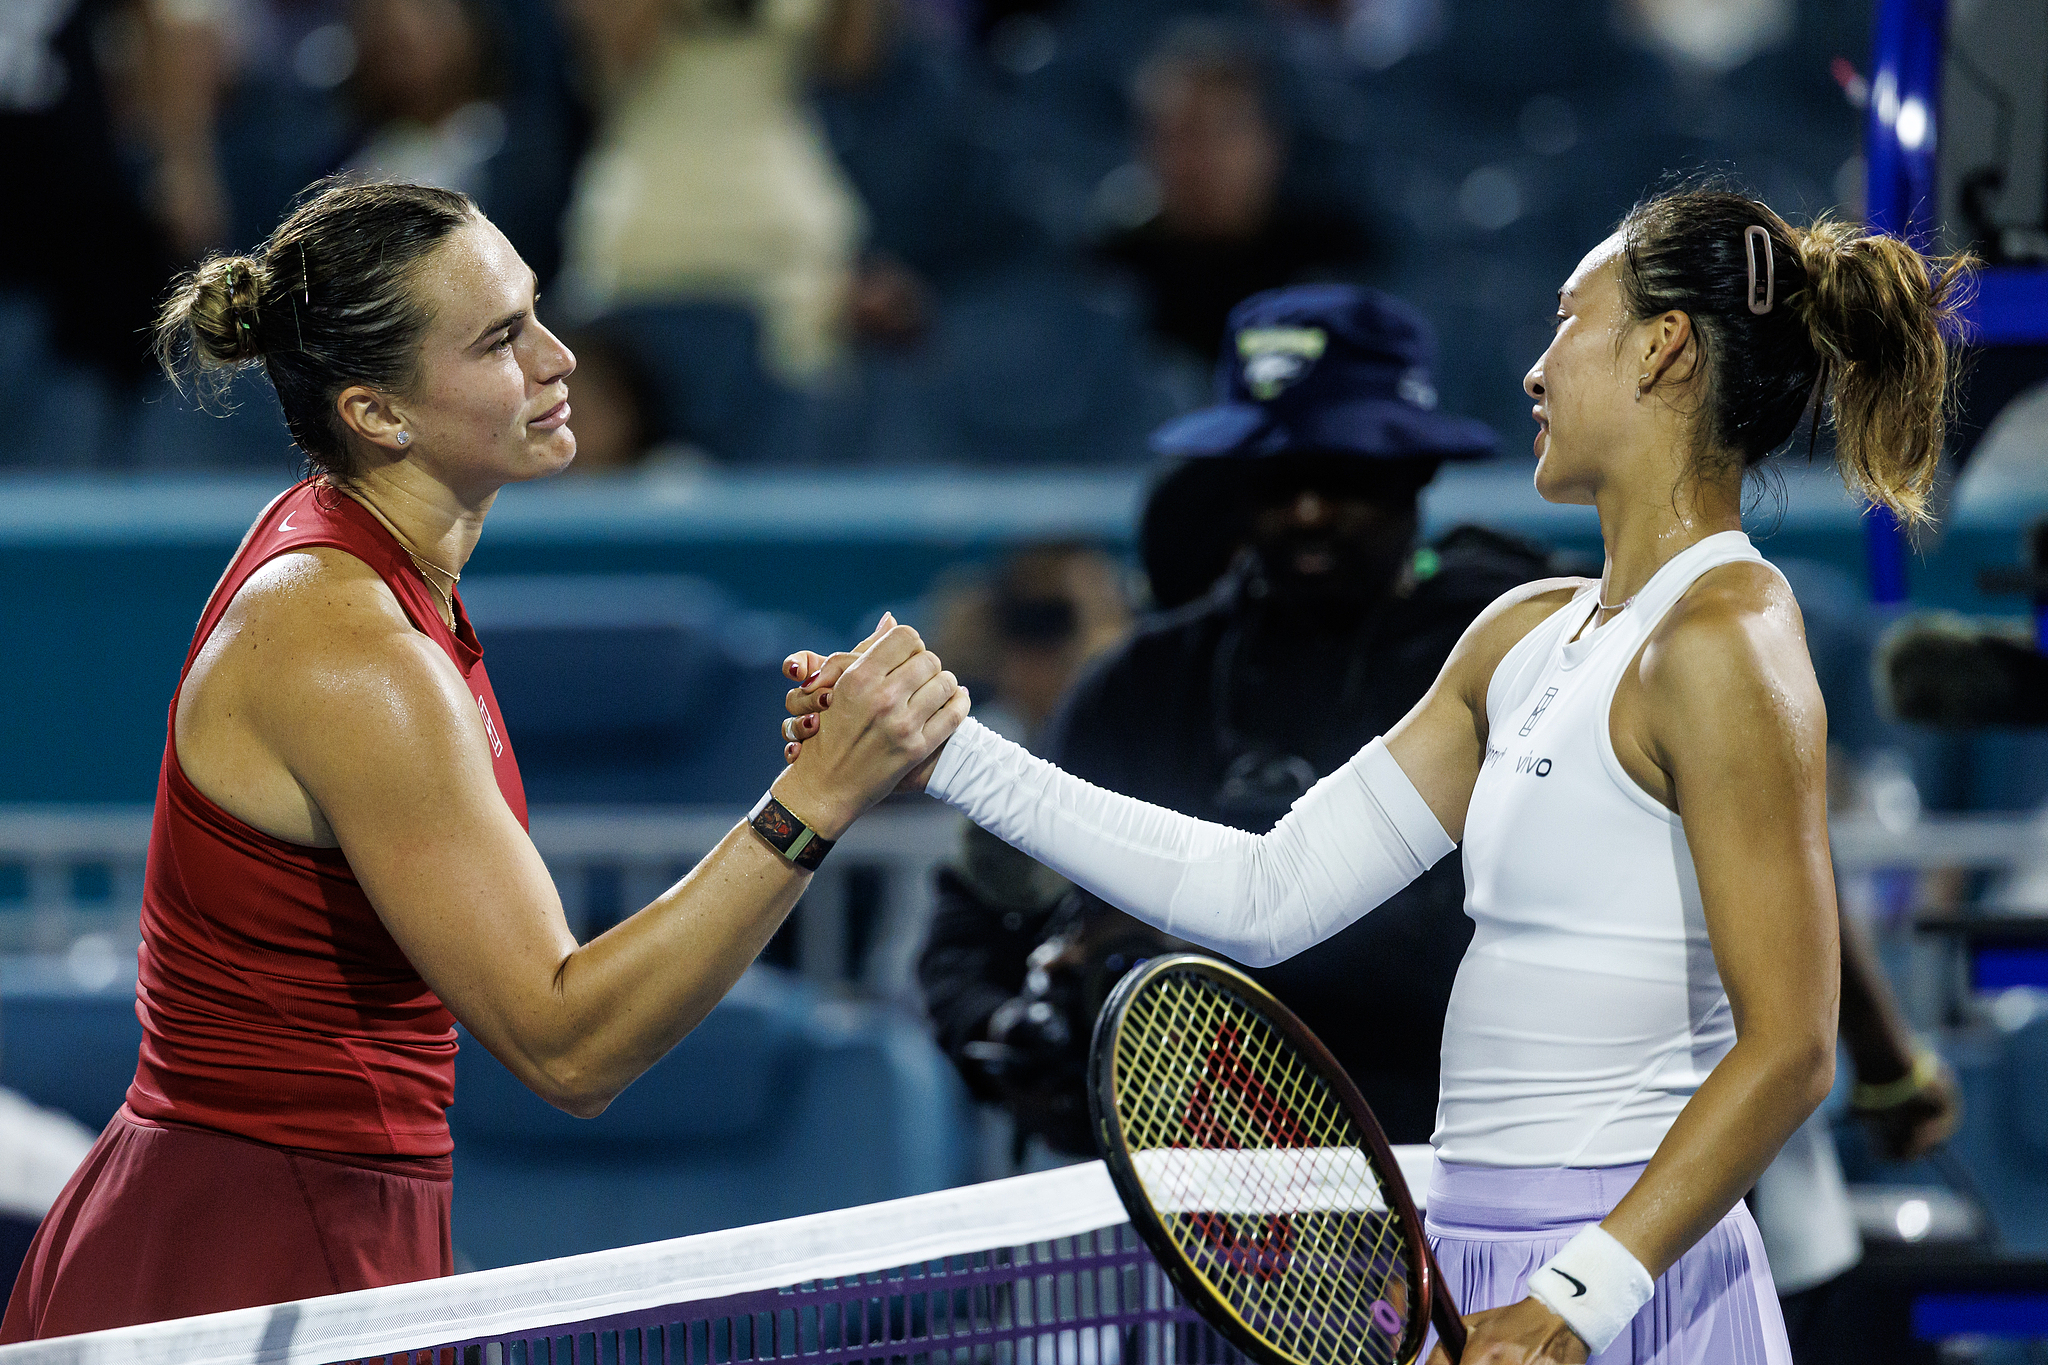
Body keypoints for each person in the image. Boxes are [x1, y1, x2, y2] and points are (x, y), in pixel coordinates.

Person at [787, 185, 1970, 1362]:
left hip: (1620, 1285)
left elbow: (1792, 1047)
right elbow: (1264, 896)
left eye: (1571, 320)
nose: (1535, 368)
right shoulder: (1518, 634)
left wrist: (1577, 1297)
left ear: (1662, 350)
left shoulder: (1724, 634)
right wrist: (949, 753)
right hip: (1465, 1269)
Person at [0, 178, 966, 1342]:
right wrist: (811, 802)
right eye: (502, 339)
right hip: (243, 1274)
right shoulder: (345, 643)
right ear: (379, 413)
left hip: (313, 1232)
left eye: (537, 312)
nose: (560, 358)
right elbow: (570, 1046)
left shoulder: (369, 580)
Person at [918, 285, 1557, 1161]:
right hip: (1194, 1216)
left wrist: (1186, 948)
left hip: (1473, 1179)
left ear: (1415, 468)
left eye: (1344, 476)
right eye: (1275, 476)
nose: (1306, 512)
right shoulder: (1135, 686)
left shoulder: (1530, 653)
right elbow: (972, 932)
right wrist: (1020, 1033)